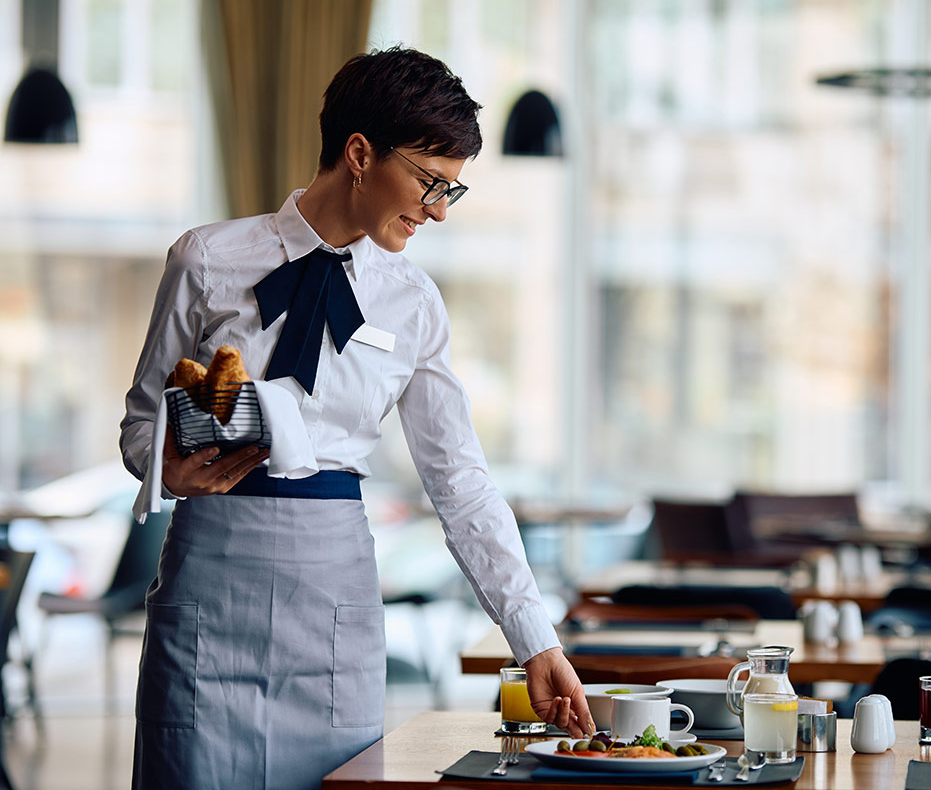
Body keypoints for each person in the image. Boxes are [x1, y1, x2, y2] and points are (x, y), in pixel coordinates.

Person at [120, 45, 593, 790]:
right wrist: (168, 469)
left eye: (452, 192)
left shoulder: (414, 302)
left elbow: (460, 483)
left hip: (332, 601)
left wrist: (535, 641)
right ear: (360, 153)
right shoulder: (206, 259)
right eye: (431, 182)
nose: (438, 208)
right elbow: (142, 424)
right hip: (209, 588)